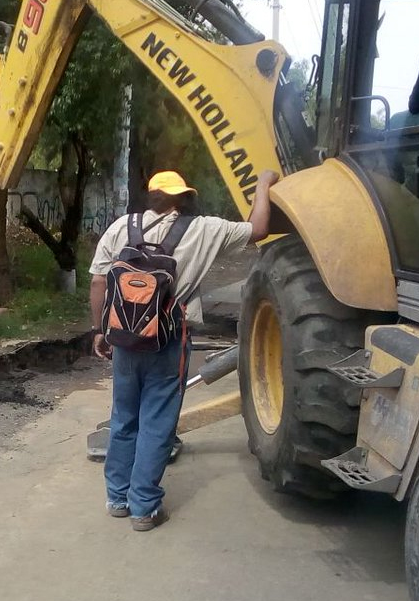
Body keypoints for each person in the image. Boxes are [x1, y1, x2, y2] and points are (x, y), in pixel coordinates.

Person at [89, 169, 278, 531]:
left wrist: (100, 330)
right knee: (157, 420)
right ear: (184, 197)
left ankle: (117, 497)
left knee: (124, 416)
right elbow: (258, 229)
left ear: (152, 197)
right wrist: (264, 185)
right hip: (169, 339)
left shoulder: (121, 227)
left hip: (125, 338)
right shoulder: (205, 228)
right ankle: (143, 507)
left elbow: (99, 280)